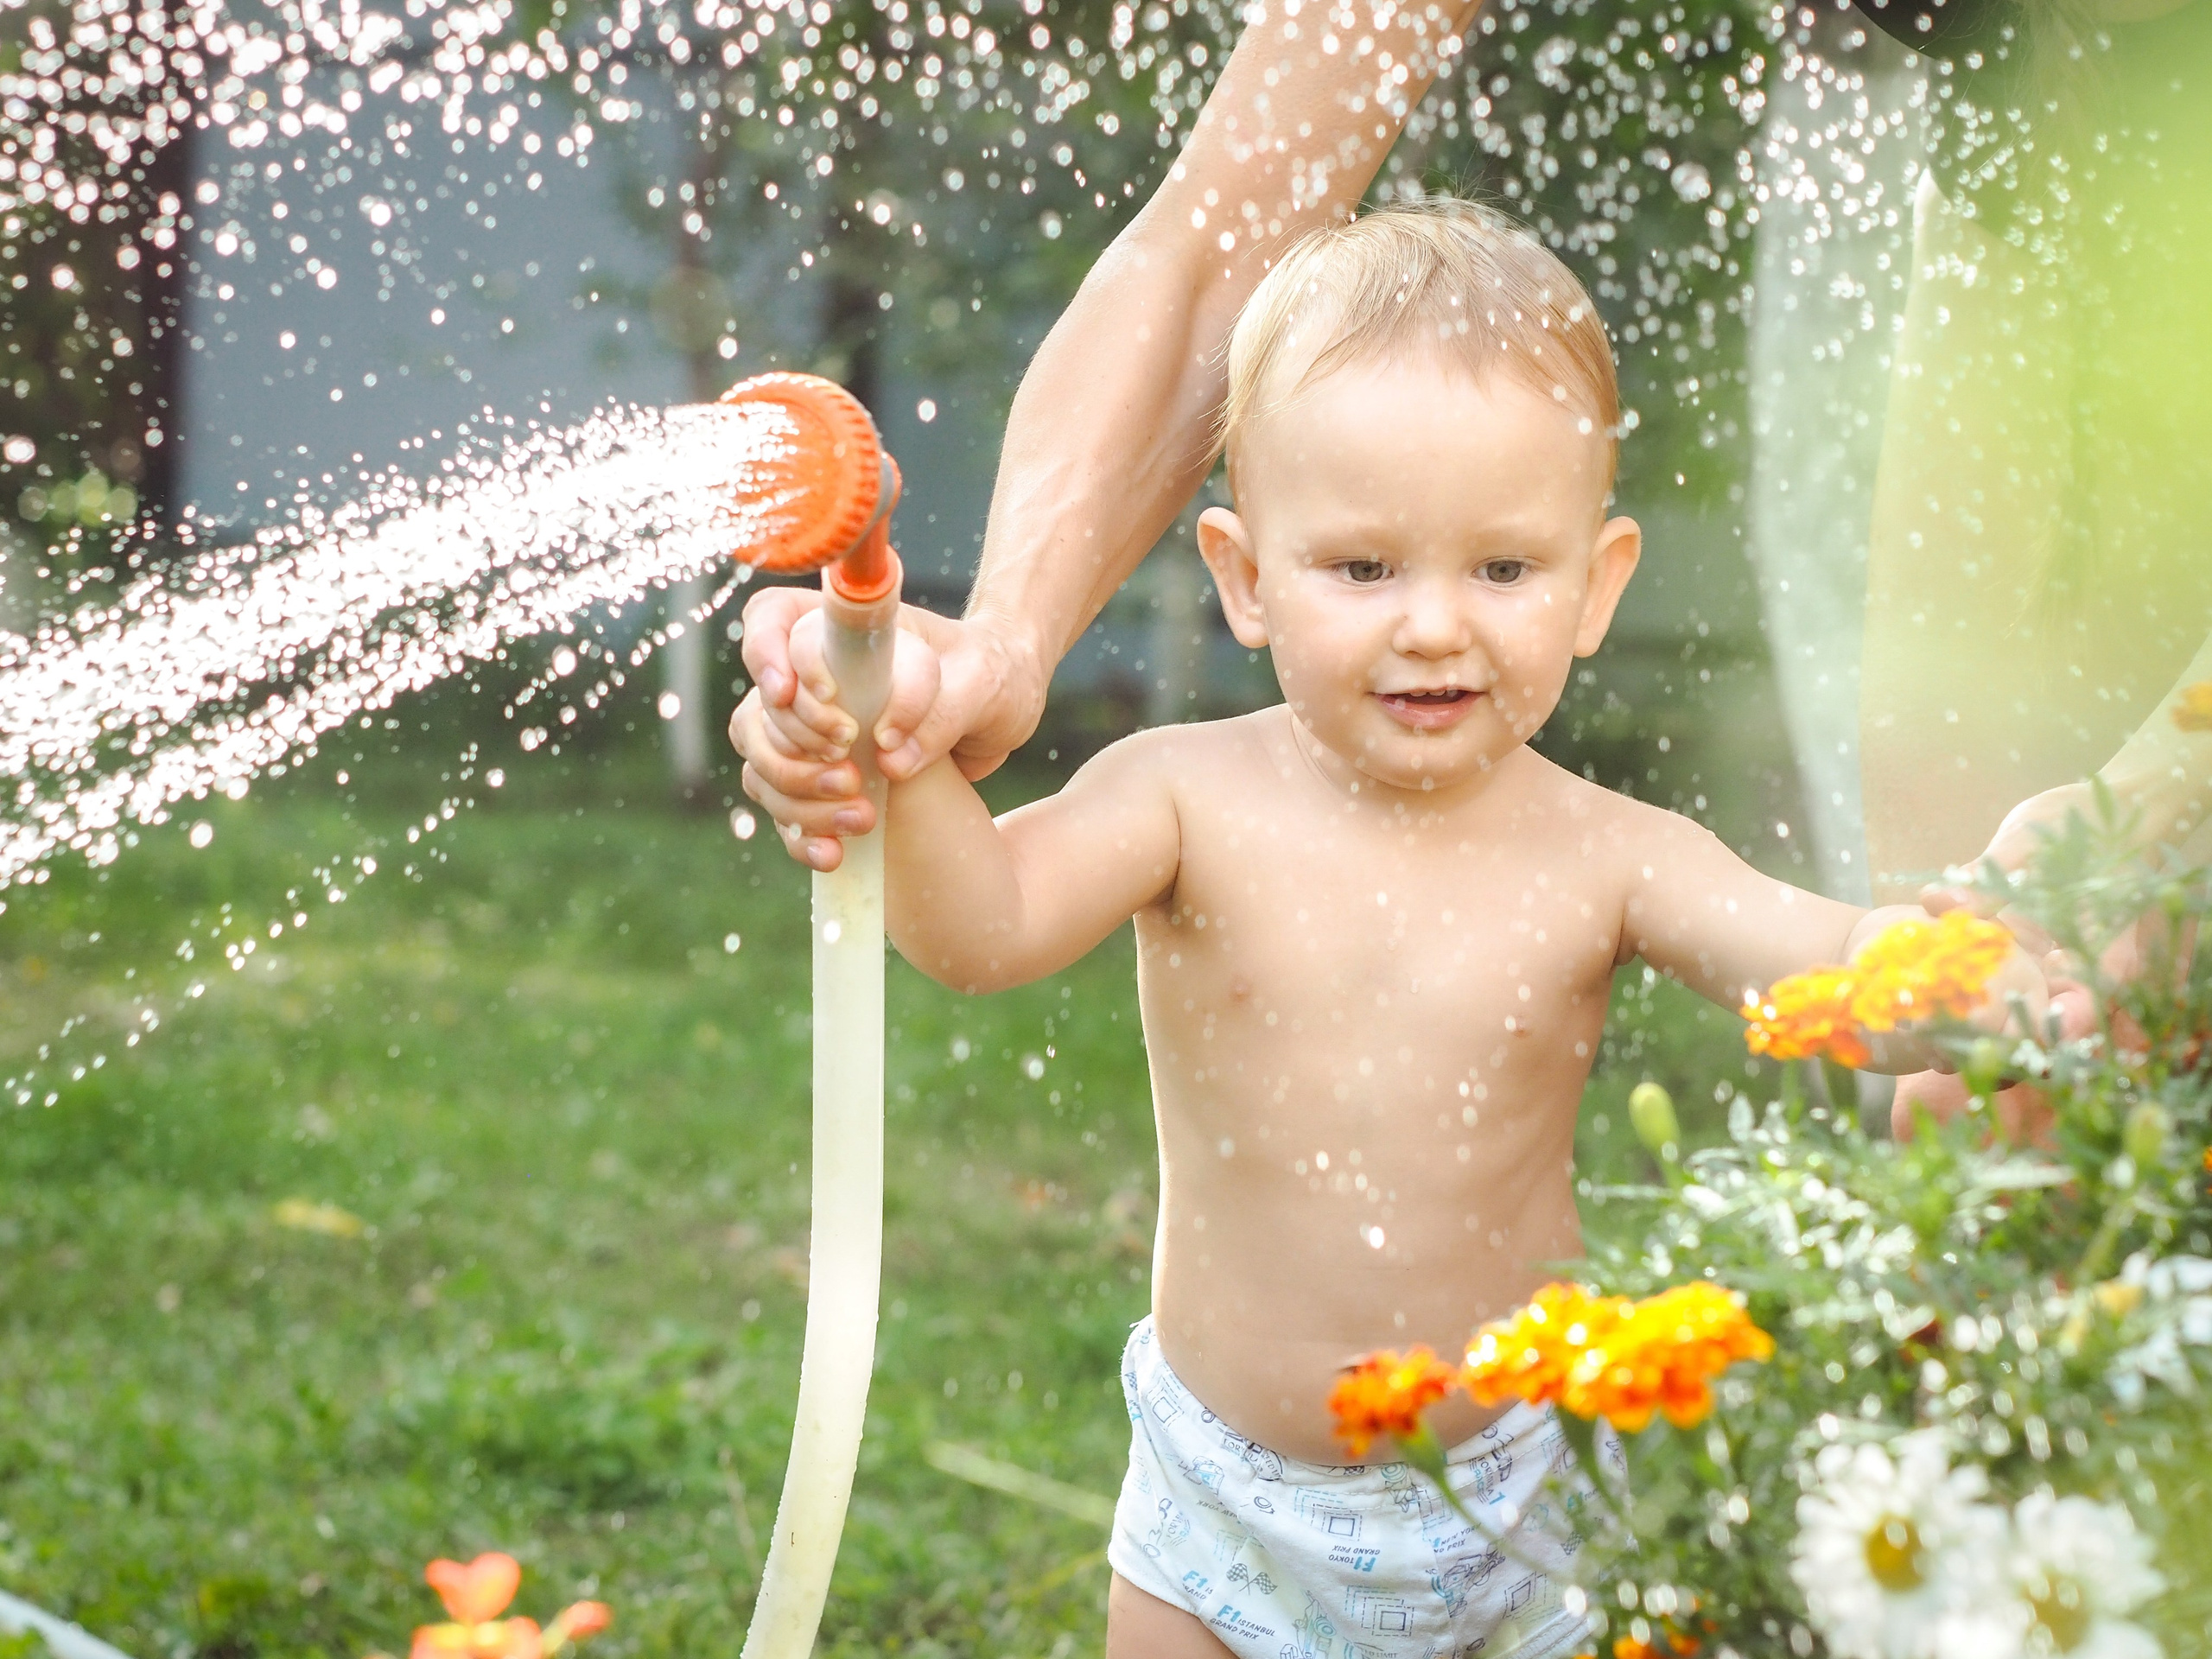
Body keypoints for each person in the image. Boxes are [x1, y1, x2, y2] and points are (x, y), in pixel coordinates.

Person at [876, 200, 2046, 1658]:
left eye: (1502, 570)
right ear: (1246, 577)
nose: (1434, 625)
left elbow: (1818, 961)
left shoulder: (1611, 854)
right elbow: (980, 929)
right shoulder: (1180, 797)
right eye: (1364, 569)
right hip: (1223, 1505)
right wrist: (901, 764)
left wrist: (1981, 975)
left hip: (1522, 1496)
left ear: (1595, 586)